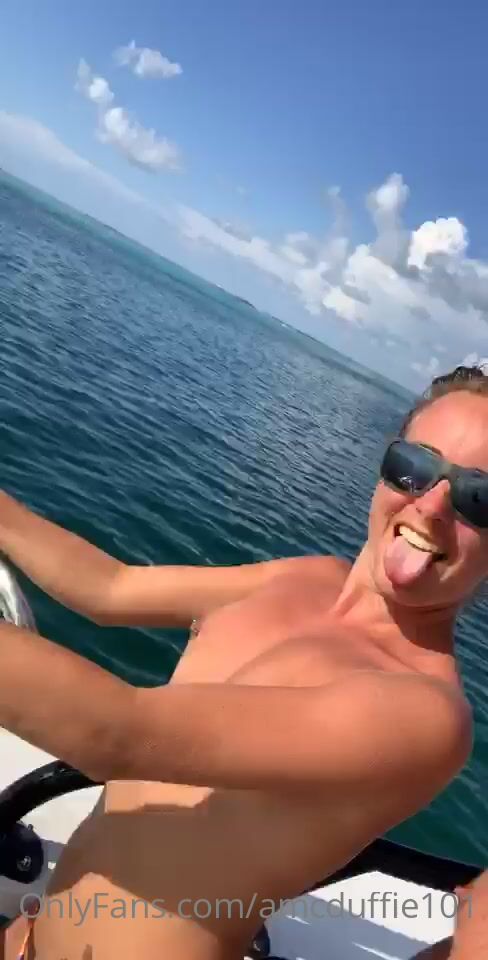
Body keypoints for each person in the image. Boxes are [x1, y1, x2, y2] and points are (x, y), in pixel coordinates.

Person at [0, 363, 486, 959]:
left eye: (478, 498)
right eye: (415, 466)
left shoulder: (427, 713)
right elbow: (110, 588)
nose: (431, 506)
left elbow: (119, 735)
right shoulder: (307, 577)